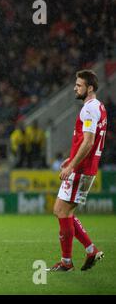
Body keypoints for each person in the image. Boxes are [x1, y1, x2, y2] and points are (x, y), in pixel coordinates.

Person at [47, 70, 106, 272]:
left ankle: (66, 262)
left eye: (79, 85)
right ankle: (91, 250)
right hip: (85, 167)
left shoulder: (88, 109)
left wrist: (72, 166)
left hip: (80, 170)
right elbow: (90, 140)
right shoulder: (100, 107)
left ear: (89, 88)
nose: (75, 87)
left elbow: (89, 142)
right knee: (66, 212)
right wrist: (71, 158)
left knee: (61, 211)